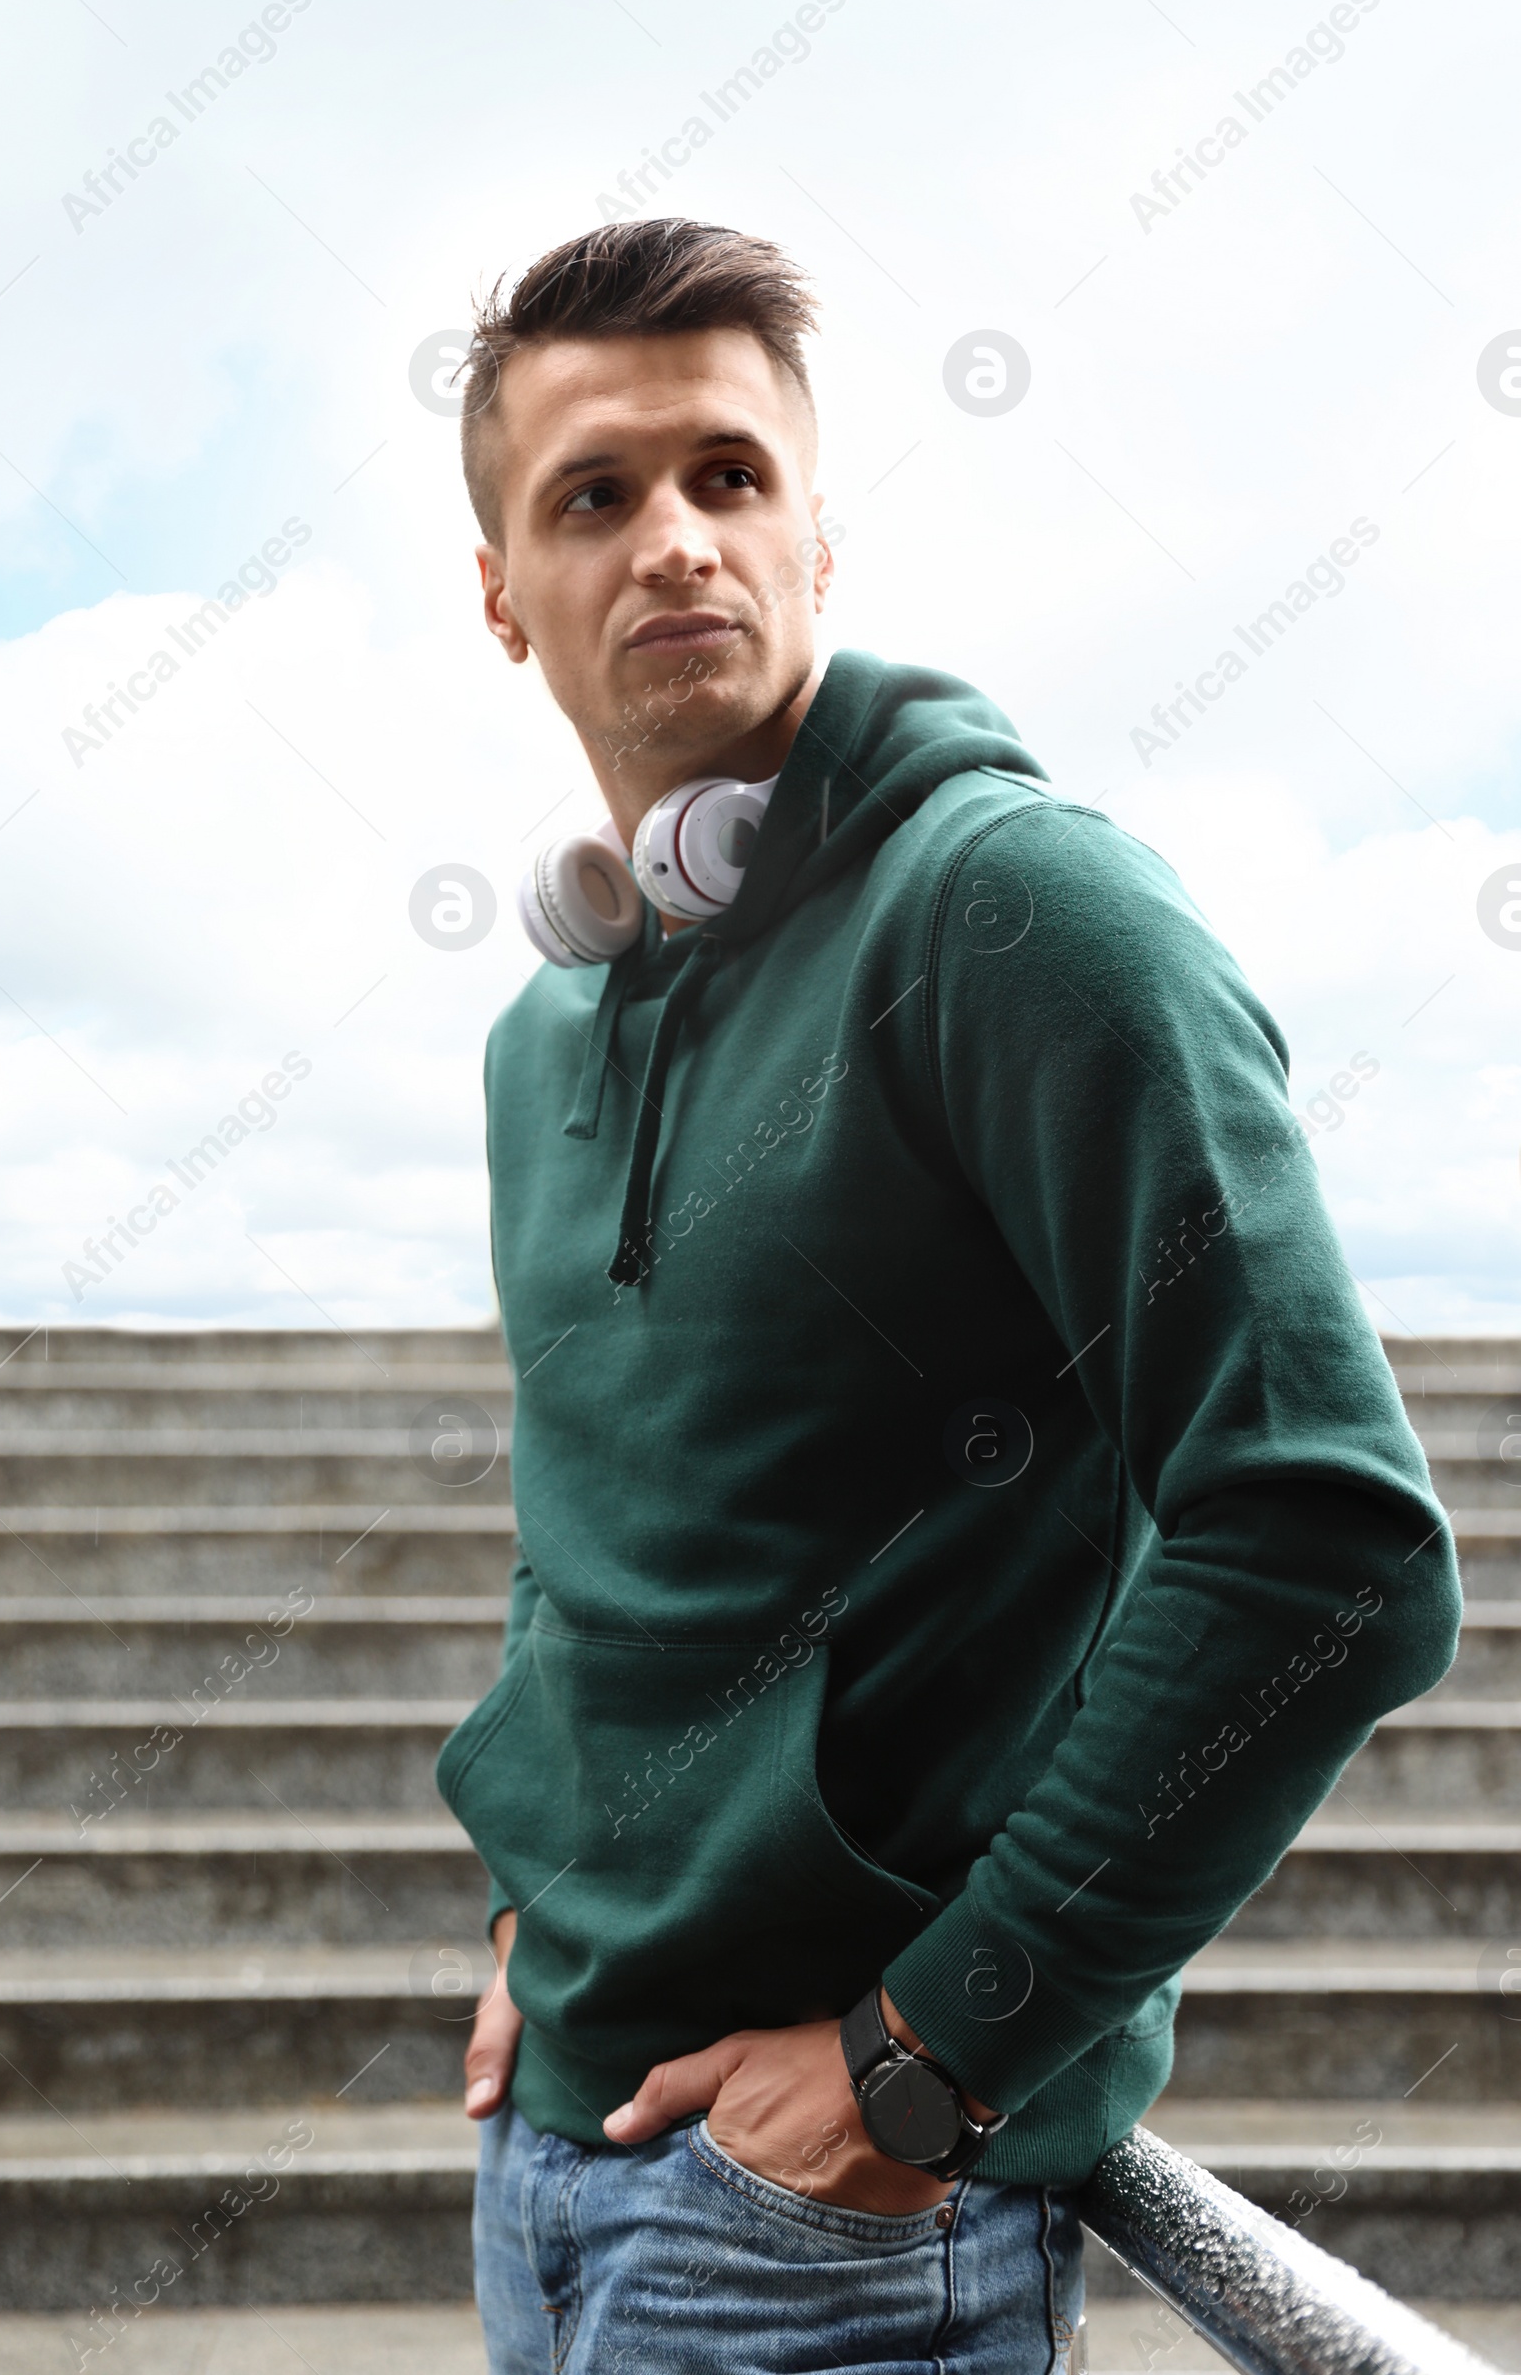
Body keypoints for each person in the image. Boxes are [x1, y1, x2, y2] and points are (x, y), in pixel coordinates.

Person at [437, 218, 1460, 2374]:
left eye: (729, 478)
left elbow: (1326, 1546)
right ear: (499, 594)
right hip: (545, 2151)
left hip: (819, 2217)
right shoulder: (545, 1035)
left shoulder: (1017, 915)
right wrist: (553, 1897)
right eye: (592, 498)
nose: (677, 542)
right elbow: (596, 1543)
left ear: (822, 537)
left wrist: (932, 2057)